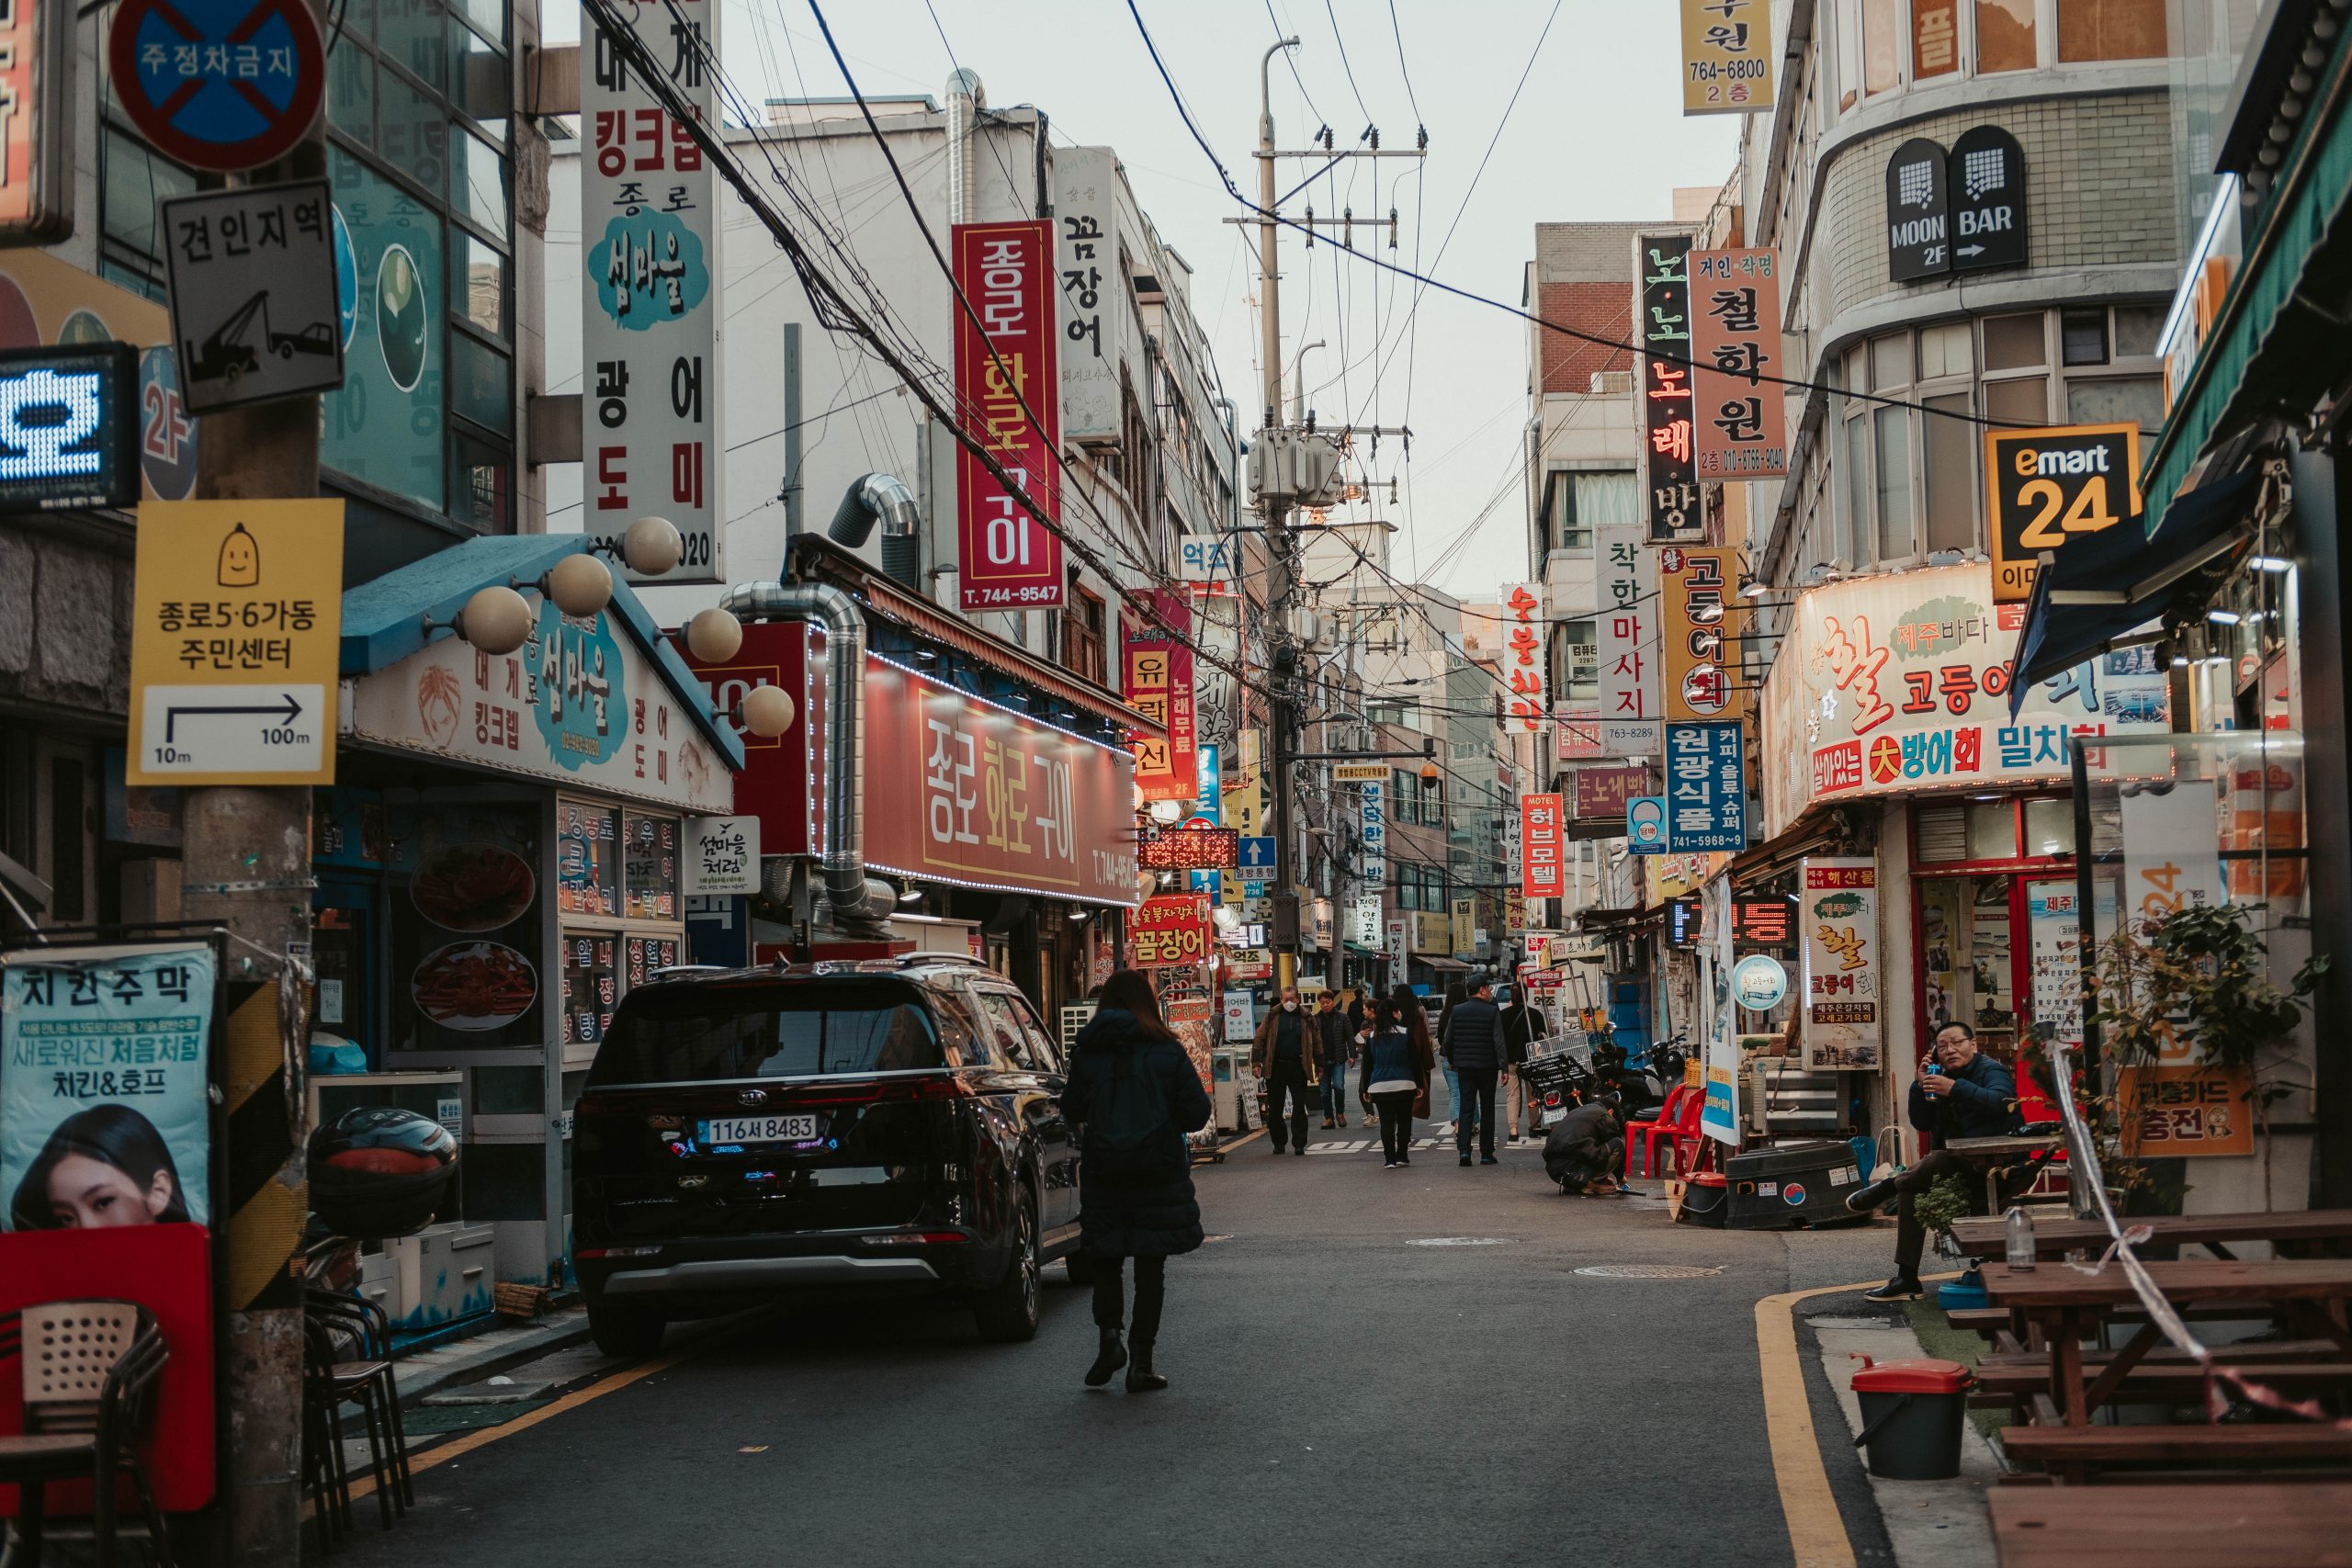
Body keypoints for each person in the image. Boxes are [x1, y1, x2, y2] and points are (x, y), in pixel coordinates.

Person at [1061, 969, 1214, 1392]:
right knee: (1151, 1266)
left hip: (1105, 1171)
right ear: (1147, 1002)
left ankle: (1109, 1340)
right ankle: (1141, 1363)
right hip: (1157, 1172)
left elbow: (1071, 1106)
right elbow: (1197, 1112)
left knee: (1106, 1258)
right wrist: (1163, 1122)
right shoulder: (1166, 1049)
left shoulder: (1089, 1049)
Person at [1844, 1021, 2025, 1302]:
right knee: (1913, 1188)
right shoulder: (1937, 1077)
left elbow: (2002, 1102)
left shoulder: (1991, 1071)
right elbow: (1922, 1122)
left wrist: (1954, 1089)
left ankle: (1889, 1184)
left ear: (1973, 1045)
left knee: (1938, 1158)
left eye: (1957, 1043)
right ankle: (1907, 1278)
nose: (1950, 1050)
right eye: (1942, 1046)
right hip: (1956, 1169)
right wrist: (1919, 1086)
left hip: (1996, 1169)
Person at [9, 1103, 190, 1231]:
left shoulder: (201, 1270)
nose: (86, 1228)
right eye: (66, 1218)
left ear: (159, 1192)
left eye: (103, 1202)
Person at [1359, 986, 1436, 1168]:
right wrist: (1419, 1085)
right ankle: (1402, 1155)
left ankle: (1389, 1158)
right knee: (1404, 1121)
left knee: (1386, 1123)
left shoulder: (1372, 1037)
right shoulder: (1405, 1034)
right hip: (1405, 1083)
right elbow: (1415, 1061)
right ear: (1394, 1014)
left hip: (1379, 1085)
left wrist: (1365, 1088)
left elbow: (1367, 1065)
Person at [1441, 977, 1505, 1166]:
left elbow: (1447, 1042)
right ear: (1483, 989)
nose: (1491, 992)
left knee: (1466, 1108)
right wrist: (1503, 1066)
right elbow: (1499, 1042)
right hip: (1487, 1067)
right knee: (1487, 1108)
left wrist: (1454, 1061)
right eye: (1489, 989)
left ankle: (1464, 1153)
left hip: (1465, 1068)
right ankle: (1486, 1153)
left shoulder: (1457, 1011)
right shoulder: (1492, 1011)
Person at [1250, 985, 1318, 1156]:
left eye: (1292, 999)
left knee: (1298, 1106)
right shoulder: (1272, 1016)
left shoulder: (1306, 1017)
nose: (1289, 1002)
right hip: (1275, 1066)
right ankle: (1279, 1142)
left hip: (1298, 1065)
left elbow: (1317, 1041)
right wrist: (1256, 1062)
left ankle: (1299, 1143)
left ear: (1298, 999)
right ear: (1281, 999)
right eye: (1286, 999)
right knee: (1275, 1108)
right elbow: (1260, 1039)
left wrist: (1320, 1065)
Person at [1543, 1093, 1628, 1195]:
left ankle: (1575, 1183)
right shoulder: (1604, 1116)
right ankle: (1587, 1182)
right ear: (1611, 1112)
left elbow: (1585, 1148)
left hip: (1554, 1171)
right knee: (1617, 1144)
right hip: (1572, 1169)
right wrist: (1621, 1178)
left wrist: (1603, 1177)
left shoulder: (1579, 1111)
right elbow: (1613, 1149)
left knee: (1585, 1149)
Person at [1498, 983, 1541, 1143]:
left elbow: (1499, 1041)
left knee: (1512, 1096)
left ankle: (1513, 1130)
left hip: (1510, 1062)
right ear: (1527, 995)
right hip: (1531, 1061)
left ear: (1511, 996)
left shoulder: (1503, 1015)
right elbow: (1541, 1039)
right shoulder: (1535, 1015)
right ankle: (1535, 1126)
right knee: (1533, 1094)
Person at [1314, 991, 1355, 1129]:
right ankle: (1328, 1118)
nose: (1325, 1005)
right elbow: (1310, 1040)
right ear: (1319, 1003)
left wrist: (1352, 1055)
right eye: (1322, 1003)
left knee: (1339, 1087)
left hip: (1338, 1058)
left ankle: (1340, 1113)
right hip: (1321, 1061)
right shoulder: (1314, 1019)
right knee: (1324, 1091)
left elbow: (1350, 1036)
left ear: (1333, 1002)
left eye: (1328, 1002)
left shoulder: (1342, 1018)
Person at [1434, 981, 1467, 1136]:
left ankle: (1457, 1124)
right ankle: (1472, 1124)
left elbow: (1441, 1038)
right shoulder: (1467, 1012)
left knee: (1455, 1093)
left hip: (1448, 1058)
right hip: (1467, 1057)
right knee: (1469, 1092)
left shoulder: (1445, 1014)